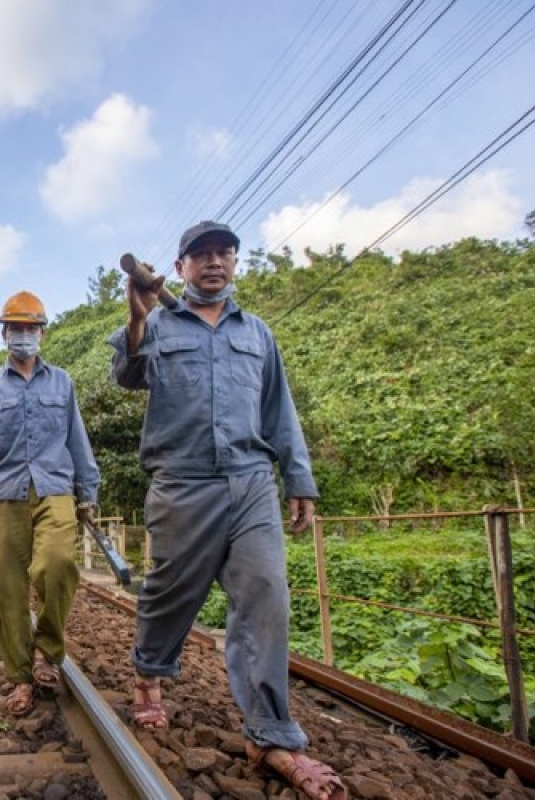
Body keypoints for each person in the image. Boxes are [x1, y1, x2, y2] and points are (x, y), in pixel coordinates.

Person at [108, 221, 347, 800]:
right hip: (182, 483)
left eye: (224, 254)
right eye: (201, 255)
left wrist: (300, 479)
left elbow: (277, 410)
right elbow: (126, 374)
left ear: (235, 263)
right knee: (168, 591)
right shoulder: (159, 324)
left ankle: (270, 733)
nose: (214, 263)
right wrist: (138, 314)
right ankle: (149, 671)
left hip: (250, 482)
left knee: (266, 593)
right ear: (182, 266)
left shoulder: (258, 334)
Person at [0, 291, 101, 716]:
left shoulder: (63, 382)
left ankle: (49, 650)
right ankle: (20, 678)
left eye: (30, 328)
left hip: (55, 488)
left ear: (42, 333)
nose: (23, 336)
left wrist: (88, 490)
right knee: (9, 588)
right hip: (4, 493)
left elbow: (77, 438)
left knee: (57, 564)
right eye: (16, 328)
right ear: (5, 334)